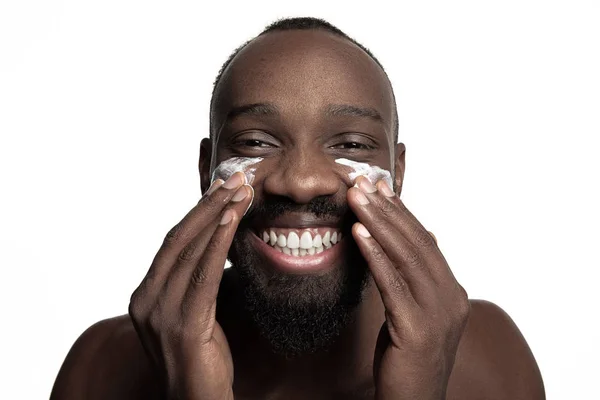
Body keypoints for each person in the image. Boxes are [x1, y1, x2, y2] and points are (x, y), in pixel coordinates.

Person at [50, 17, 545, 399]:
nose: (303, 182)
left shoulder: (487, 360)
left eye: (351, 144)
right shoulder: (102, 367)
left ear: (397, 173)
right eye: (256, 141)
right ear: (208, 170)